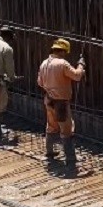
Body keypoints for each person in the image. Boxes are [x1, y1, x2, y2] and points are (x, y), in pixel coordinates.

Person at [37, 38, 85, 167]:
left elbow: (40, 83)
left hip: (49, 100)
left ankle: (50, 151)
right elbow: (77, 76)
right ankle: (70, 158)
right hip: (61, 103)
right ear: (63, 51)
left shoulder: (44, 63)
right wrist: (81, 65)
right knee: (66, 130)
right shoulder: (62, 64)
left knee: (51, 126)